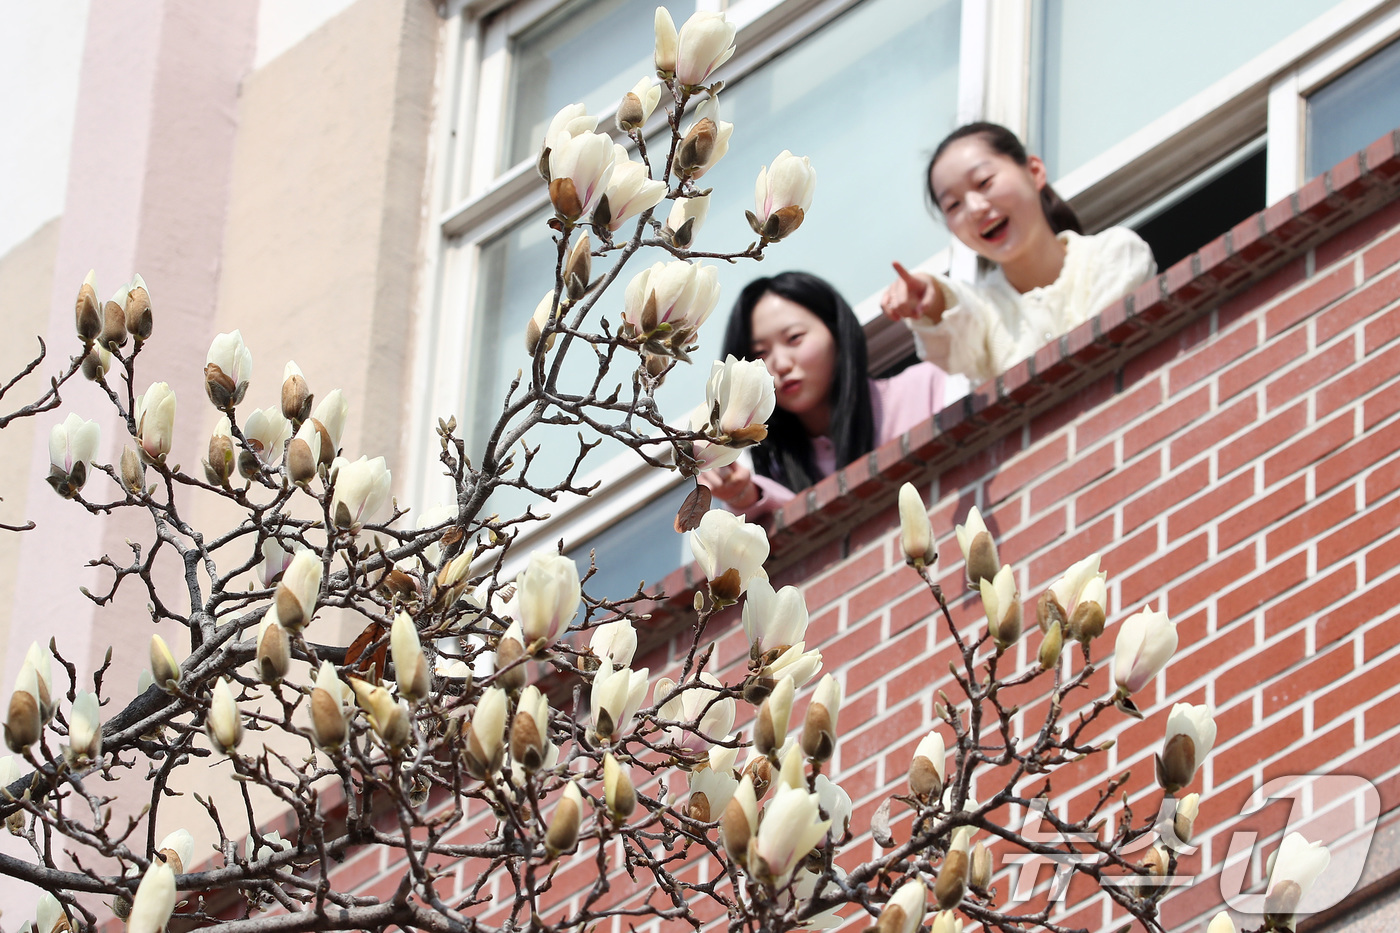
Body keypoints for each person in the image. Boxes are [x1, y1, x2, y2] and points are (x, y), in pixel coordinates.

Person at [881, 122, 1156, 384]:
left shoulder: (1113, 254)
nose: (975, 208)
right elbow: (959, 330)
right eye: (953, 206)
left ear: (1034, 171)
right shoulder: (985, 314)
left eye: (984, 182)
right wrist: (933, 298)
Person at [701, 272, 944, 516]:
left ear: (837, 331)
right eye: (760, 354)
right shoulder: (763, 475)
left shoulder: (927, 386)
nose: (781, 364)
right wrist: (743, 495)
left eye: (794, 338)